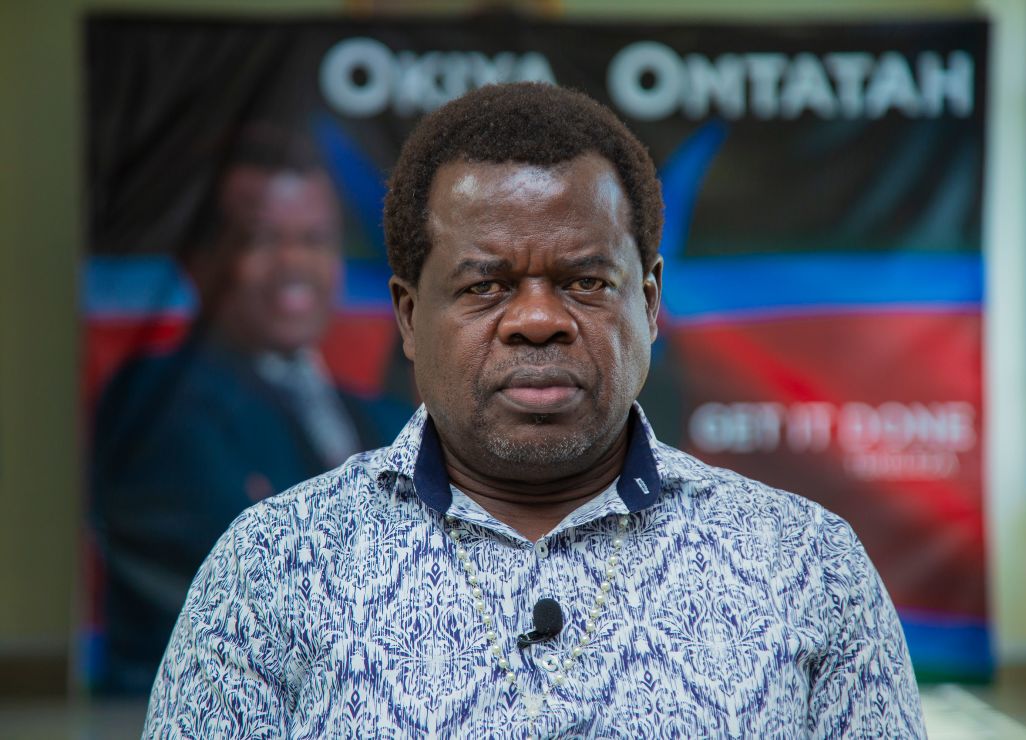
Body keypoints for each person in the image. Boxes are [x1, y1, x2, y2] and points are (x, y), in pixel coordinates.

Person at [144, 85, 925, 737]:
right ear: (409, 317)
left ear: (650, 305)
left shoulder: (808, 569)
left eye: (585, 281)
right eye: (486, 286)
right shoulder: (273, 568)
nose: (538, 318)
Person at [90, 124, 408, 695]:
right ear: (199, 260)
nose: (294, 264)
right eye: (262, 239)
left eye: (314, 239)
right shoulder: (155, 401)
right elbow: (254, 573)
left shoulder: (387, 419)